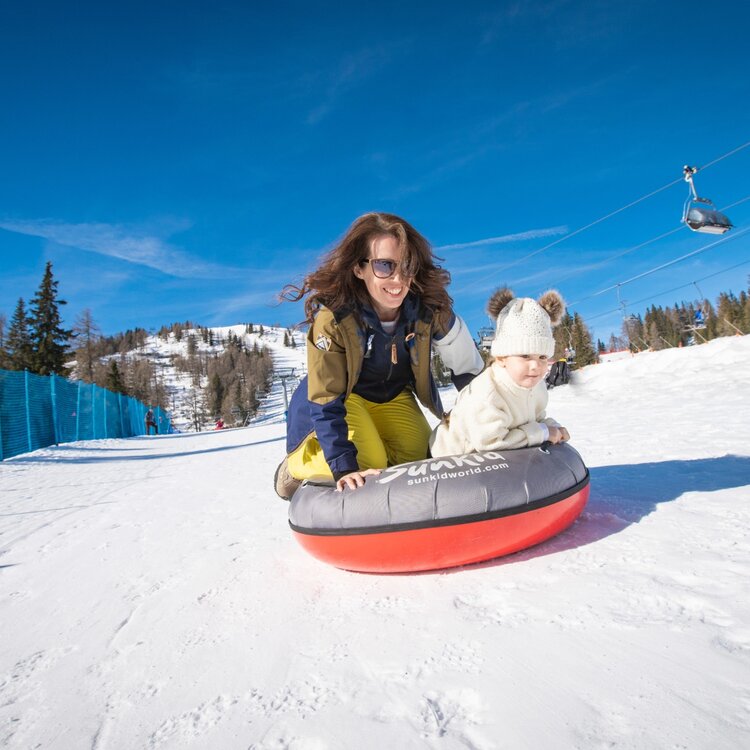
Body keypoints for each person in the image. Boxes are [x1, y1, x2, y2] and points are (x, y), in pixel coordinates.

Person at [275, 212, 484, 498]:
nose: (398, 278)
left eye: (406, 265)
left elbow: (470, 370)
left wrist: (502, 423)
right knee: (366, 462)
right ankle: (297, 466)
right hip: (345, 397)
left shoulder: (429, 310)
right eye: (384, 265)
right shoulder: (334, 319)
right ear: (359, 269)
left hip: (393, 395)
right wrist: (343, 466)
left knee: (422, 457)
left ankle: (378, 446)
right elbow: (326, 398)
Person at [430, 287, 570, 457]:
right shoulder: (487, 392)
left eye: (542, 356)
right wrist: (543, 433)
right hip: (449, 461)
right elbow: (490, 442)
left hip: (490, 462)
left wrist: (553, 427)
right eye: (525, 356)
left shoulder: (537, 387)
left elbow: (536, 419)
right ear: (501, 358)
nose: (535, 365)